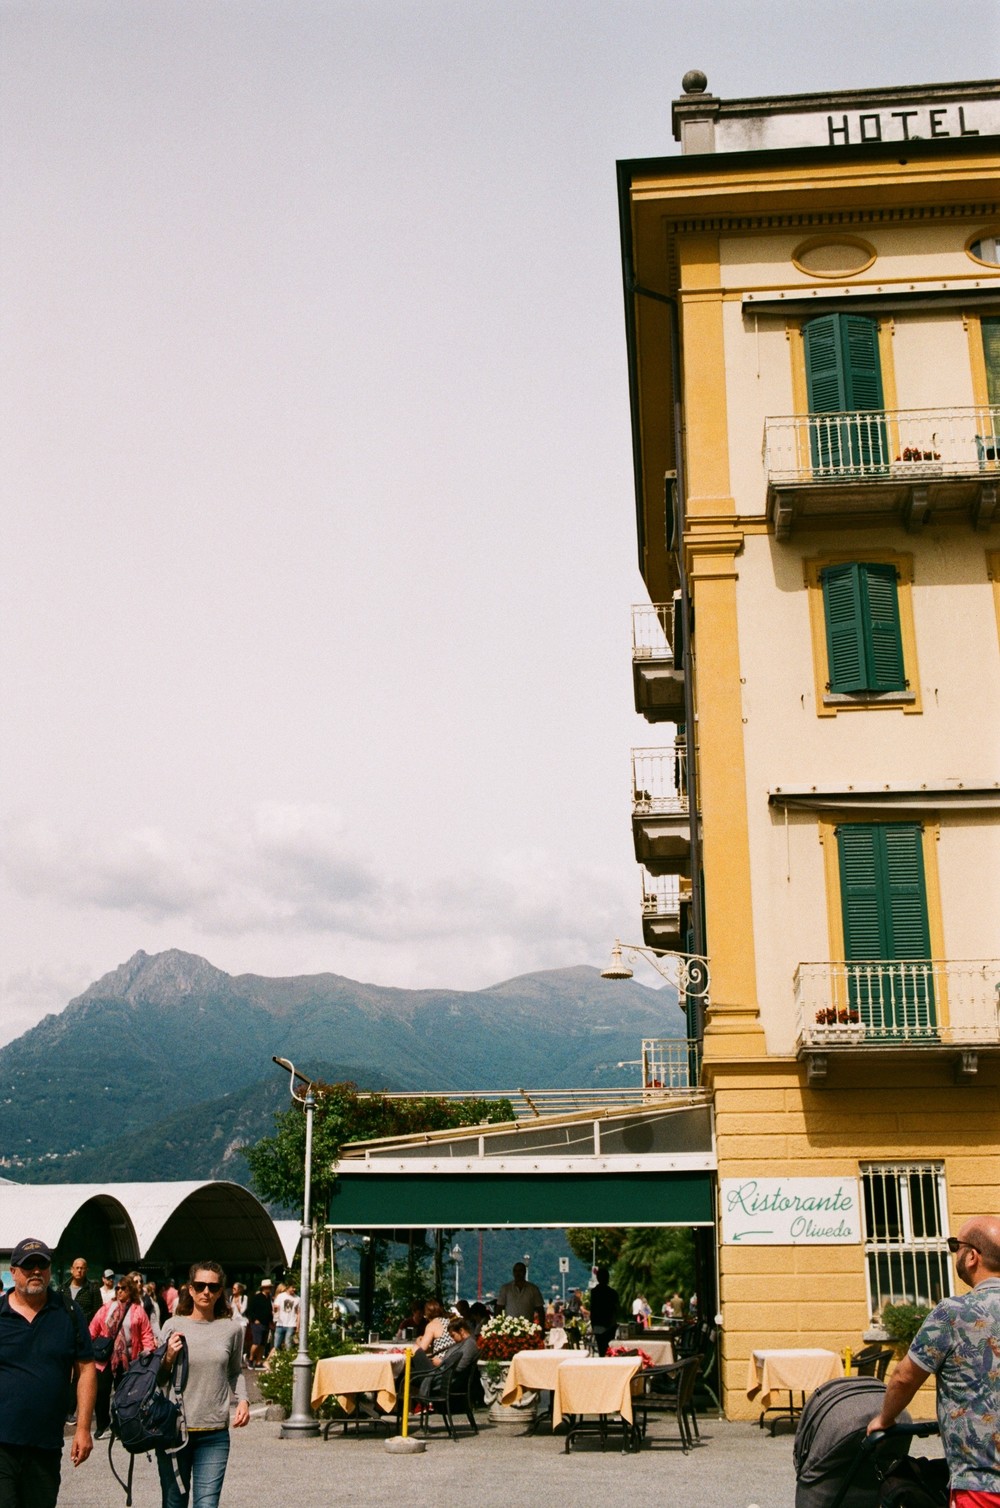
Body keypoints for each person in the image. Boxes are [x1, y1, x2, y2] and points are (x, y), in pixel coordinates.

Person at [868, 1217, 1000, 1504]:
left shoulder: (954, 1313)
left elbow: (905, 1377)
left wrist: (884, 1419)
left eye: (956, 1246)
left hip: (981, 1484)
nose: (955, 1253)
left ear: (972, 1257)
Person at [0, 1236, 96, 1507]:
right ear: (14, 1272)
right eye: (28, 1265)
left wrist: (83, 1427)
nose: (36, 1271)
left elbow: (86, 1369)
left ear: (50, 1270)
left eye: (41, 1265)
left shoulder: (68, 1312)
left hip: (46, 1444)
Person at [159, 1260, 249, 1508]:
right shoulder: (172, 1326)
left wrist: (243, 1400)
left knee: (207, 1505)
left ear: (221, 1291)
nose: (206, 1292)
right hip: (174, 1431)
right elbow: (158, 1379)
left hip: (214, 1433)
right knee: (174, 1503)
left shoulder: (231, 1330)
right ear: (190, 1289)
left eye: (213, 1286)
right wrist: (167, 1357)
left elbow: (234, 1371)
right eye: (200, 1286)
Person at [89, 1272, 155, 1438]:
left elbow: (146, 1333)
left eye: (123, 1288)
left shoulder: (137, 1310)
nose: (119, 1291)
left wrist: (148, 1351)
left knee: (123, 1394)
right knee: (102, 1391)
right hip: (105, 1358)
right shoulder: (106, 1308)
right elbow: (93, 1329)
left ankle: (119, 1425)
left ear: (130, 1290)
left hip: (128, 1358)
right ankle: (102, 1425)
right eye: (117, 1288)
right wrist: (88, 1347)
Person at [407, 1316, 478, 1400]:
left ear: (461, 1331)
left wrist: (441, 1362)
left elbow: (459, 1367)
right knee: (407, 1369)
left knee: (415, 1349)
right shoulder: (462, 1343)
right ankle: (403, 1405)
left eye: (453, 1335)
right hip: (439, 1373)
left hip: (441, 1378)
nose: (453, 1339)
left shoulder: (470, 1344)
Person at [496, 1263, 545, 1329]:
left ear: (525, 1272)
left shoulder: (533, 1289)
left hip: (528, 1329)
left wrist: (542, 1328)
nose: (517, 1273)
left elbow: (540, 1310)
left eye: (520, 1271)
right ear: (513, 1273)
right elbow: (499, 1309)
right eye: (515, 1271)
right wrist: (498, 1327)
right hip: (509, 1329)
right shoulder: (506, 1289)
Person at [59, 1258, 102, 1325]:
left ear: (86, 1270)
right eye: (77, 1268)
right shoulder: (63, 1289)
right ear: (72, 1270)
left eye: (82, 1268)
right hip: (65, 1328)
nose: (79, 1270)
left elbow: (98, 1313)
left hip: (84, 1329)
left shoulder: (93, 1289)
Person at [588, 1266, 619, 1357]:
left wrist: (593, 1324)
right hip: (610, 1325)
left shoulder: (594, 1292)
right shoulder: (613, 1293)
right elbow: (616, 1309)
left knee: (601, 1349)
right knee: (610, 1349)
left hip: (598, 1325)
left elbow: (593, 1309)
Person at [247, 1279, 274, 1367]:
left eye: (270, 1287)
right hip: (258, 1323)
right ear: (263, 1288)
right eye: (267, 1287)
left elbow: (269, 1311)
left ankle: (258, 1361)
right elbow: (250, 1310)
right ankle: (251, 1359)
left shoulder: (269, 1298)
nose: (269, 1289)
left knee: (263, 1344)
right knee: (256, 1342)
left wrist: (271, 1321)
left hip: (266, 1323)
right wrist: (254, 1319)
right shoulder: (257, 1297)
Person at [272, 1281, 299, 1351]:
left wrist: (297, 1325)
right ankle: (278, 1359)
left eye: (295, 1288)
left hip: (291, 1324)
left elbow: (299, 1313)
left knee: (288, 1344)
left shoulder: (297, 1299)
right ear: (288, 1287)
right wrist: (275, 1310)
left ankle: (288, 1359)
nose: (294, 1289)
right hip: (280, 1323)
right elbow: (275, 1308)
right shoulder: (281, 1296)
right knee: (276, 1345)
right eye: (293, 1287)